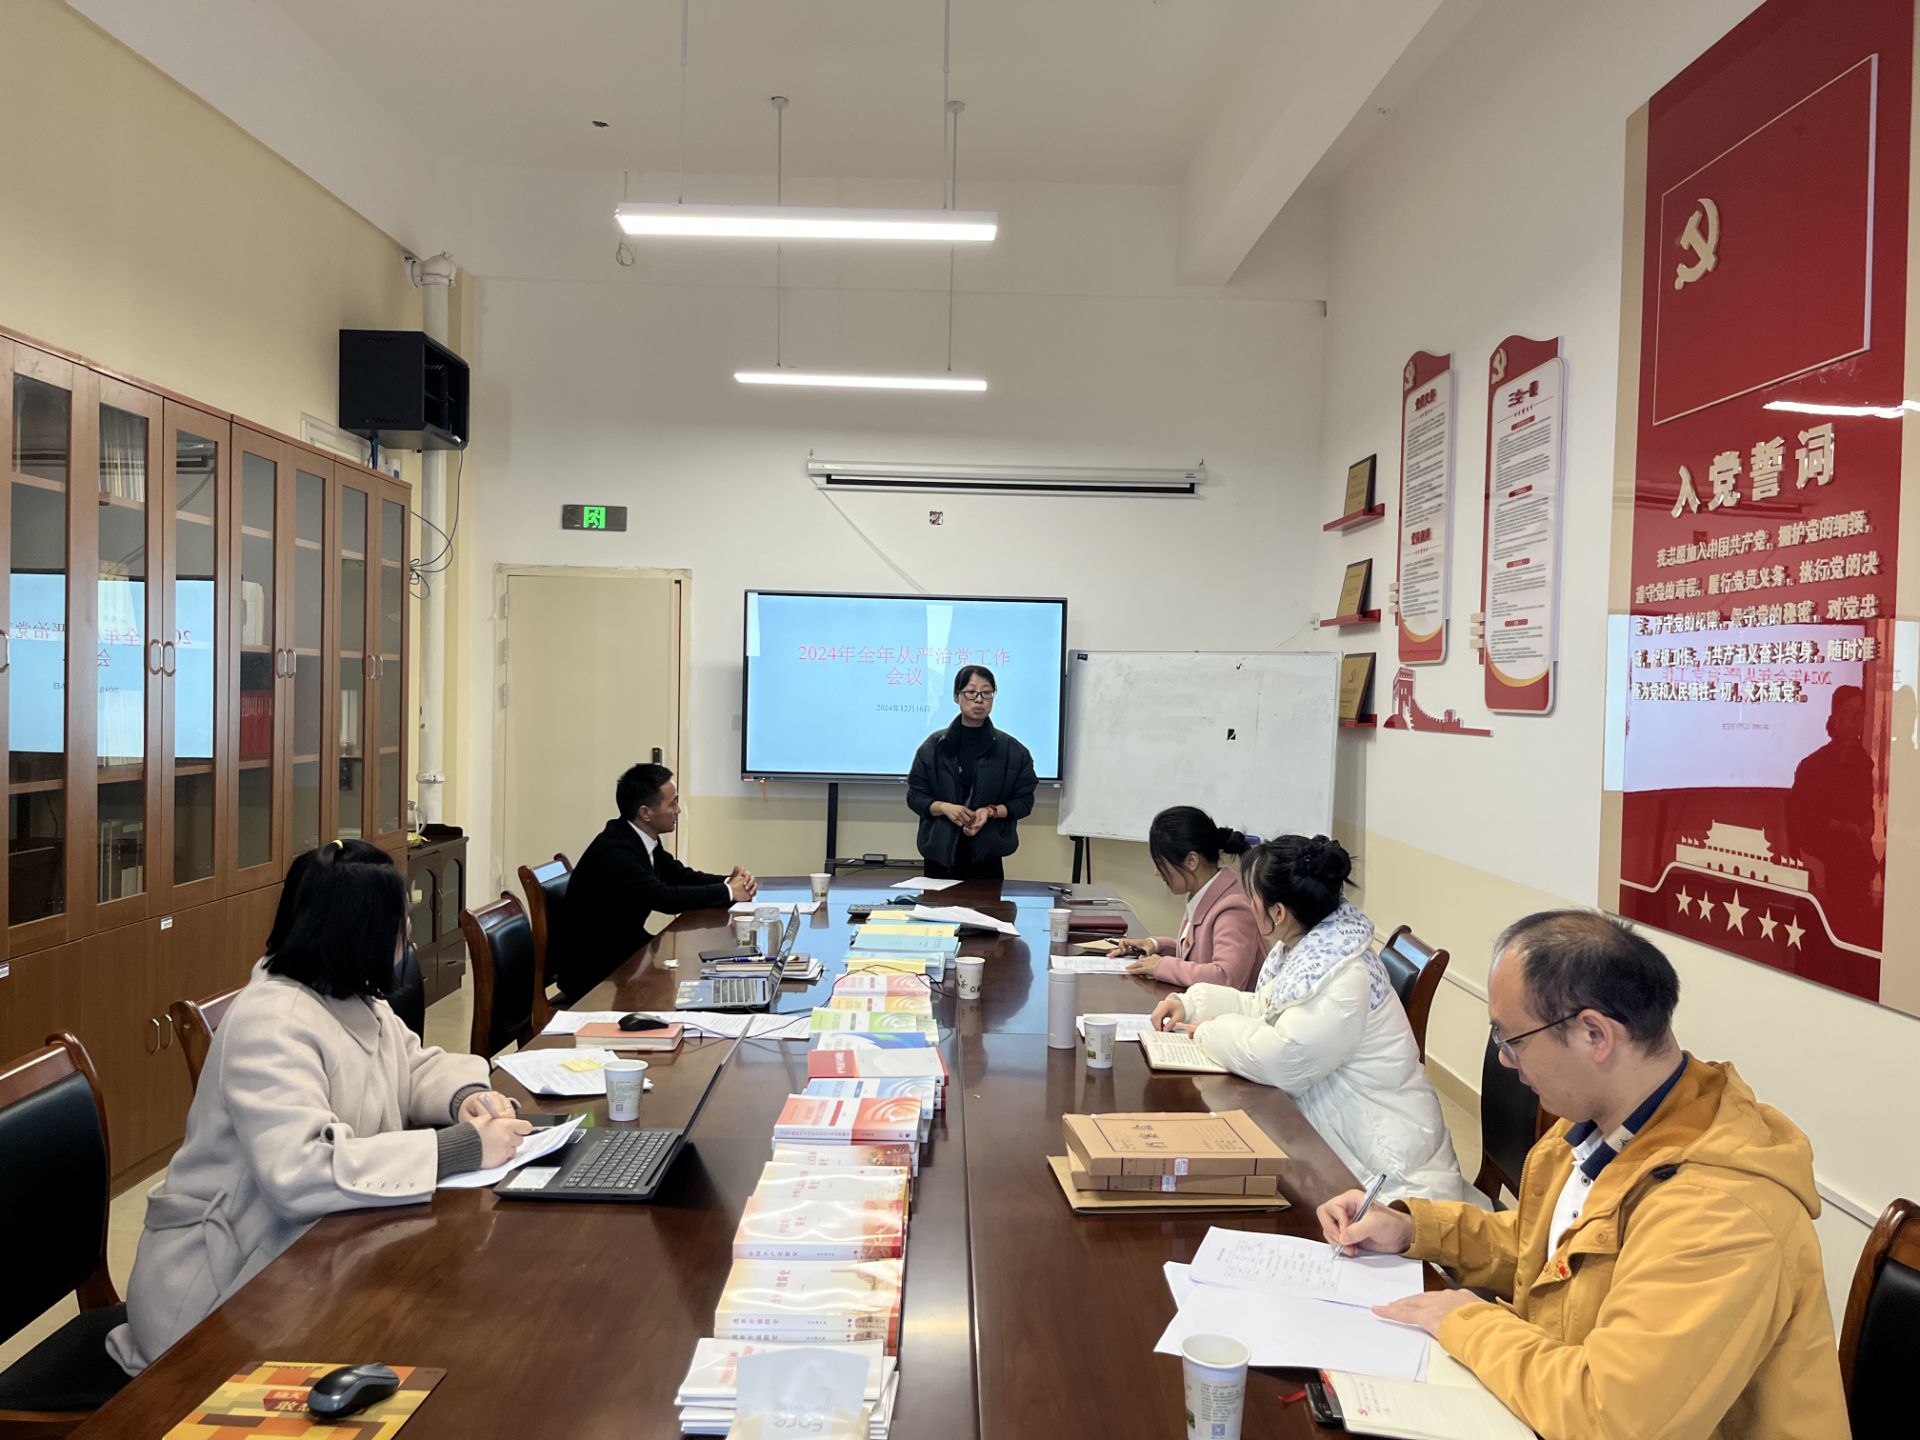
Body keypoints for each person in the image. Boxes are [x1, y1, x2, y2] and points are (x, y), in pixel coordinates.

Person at [1319, 910, 1845, 1440]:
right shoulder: (1600, 1125)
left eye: (1512, 1040)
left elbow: (1611, 1417)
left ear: (1595, 1034)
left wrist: (1465, 1322)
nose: (1506, 1061)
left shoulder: (1722, 1214)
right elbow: (1549, 1251)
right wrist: (1412, 1229)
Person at [108, 843, 530, 1375]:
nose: (407, 934)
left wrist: (466, 1098)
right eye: (398, 922)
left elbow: (412, 1064)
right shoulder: (272, 1022)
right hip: (217, 1294)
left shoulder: (349, 994)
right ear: (358, 933)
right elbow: (301, 1171)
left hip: (311, 1255)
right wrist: (463, 1148)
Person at [1149, 835, 1475, 1203]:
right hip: (1349, 1135)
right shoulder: (1312, 947)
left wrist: (1210, 1031)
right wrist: (1192, 1003)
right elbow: (1265, 1007)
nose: (1247, 905)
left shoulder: (1342, 975)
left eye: (1252, 898)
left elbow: (1283, 1058)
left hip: (1391, 1174)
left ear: (1278, 913)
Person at [561, 762, 757, 999]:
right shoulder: (616, 851)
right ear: (646, 813)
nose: (678, 810)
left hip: (626, 951)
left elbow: (678, 875)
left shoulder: (638, 837)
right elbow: (664, 898)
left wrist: (729, 882)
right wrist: (728, 892)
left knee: (698, 972)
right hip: (597, 969)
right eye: (672, 803)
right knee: (690, 980)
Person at [906, 664, 1038, 881]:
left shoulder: (1013, 751)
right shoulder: (934, 747)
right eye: (971, 692)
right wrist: (944, 807)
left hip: (988, 858)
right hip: (939, 858)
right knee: (936, 904)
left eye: (987, 693)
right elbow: (915, 796)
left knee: (987, 903)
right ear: (956, 696)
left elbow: (1024, 802)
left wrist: (990, 811)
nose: (979, 700)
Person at [1111, 806, 1262, 988]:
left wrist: (1162, 965)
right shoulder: (1205, 892)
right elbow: (1198, 953)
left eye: (1161, 863)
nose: (1156, 872)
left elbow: (1225, 978)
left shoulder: (1233, 908)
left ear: (1192, 861)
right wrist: (1155, 945)